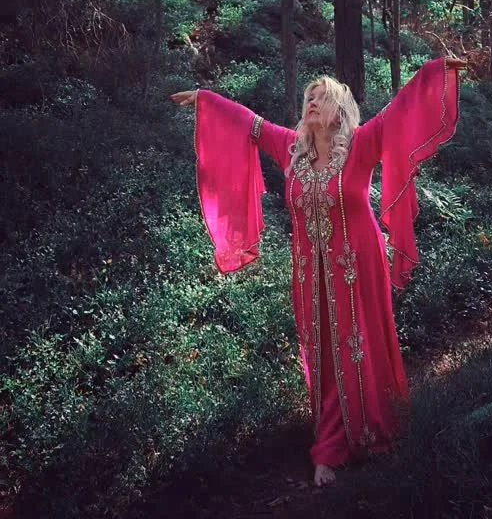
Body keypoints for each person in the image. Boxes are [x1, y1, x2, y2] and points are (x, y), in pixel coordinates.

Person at [170, 56, 463, 487]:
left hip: (358, 268)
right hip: (310, 274)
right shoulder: (291, 149)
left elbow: (402, 109)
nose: (311, 102)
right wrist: (207, 100)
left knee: (360, 343)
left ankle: (372, 427)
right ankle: (331, 443)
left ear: (340, 111)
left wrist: (437, 71)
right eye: (309, 96)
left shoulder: (362, 143)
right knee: (323, 351)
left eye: (321, 97)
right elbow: (250, 124)